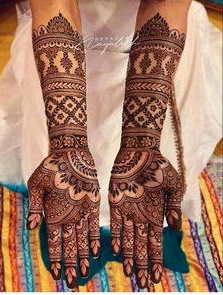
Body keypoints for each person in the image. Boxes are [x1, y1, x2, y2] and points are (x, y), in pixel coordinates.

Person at [27, 0, 192, 289]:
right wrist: (68, 143)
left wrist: (142, 141)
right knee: (65, 188)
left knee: (152, 192)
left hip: (157, 54)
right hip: (59, 55)